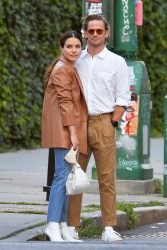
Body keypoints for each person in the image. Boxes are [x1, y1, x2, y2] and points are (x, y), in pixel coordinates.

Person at [67, 15, 131, 242]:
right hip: (80, 124)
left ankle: (108, 228)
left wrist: (113, 122)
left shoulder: (117, 62)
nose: (95, 34)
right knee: (75, 177)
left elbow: (123, 97)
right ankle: (71, 227)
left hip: (104, 122)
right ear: (84, 33)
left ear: (107, 33)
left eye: (99, 31)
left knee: (106, 178)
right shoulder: (76, 60)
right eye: (90, 31)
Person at [41, 31, 88, 242]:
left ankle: (62, 226)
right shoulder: (62, 70)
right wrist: (73, 133)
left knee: (65, 175)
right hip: (63, 129)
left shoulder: (68, 67)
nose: (74, 50)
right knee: (62, 176)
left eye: (77, 46)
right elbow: (65, 103)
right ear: (62, 48)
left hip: (65, 127)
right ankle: (52, 225)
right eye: (69, 46)